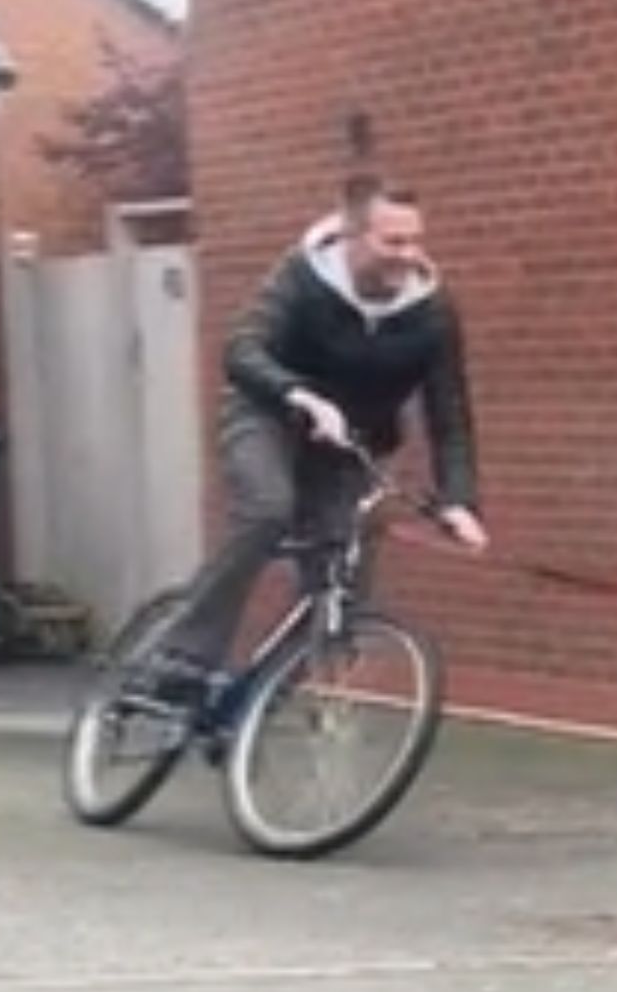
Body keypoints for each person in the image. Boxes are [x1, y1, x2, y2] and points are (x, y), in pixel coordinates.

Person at [144, 173, 488, 696]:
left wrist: (459, 500)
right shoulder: (303, 278)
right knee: (267, 510)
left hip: (349, 444)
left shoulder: (433, 312)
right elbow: (243, 349)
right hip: (268, 415)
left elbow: (450, 414)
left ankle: (258, 702)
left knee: (341, 579)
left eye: (416, 241)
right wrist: (299, 395)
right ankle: (181, 656)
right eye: (393, 241)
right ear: (352, 236)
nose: (409, 255)